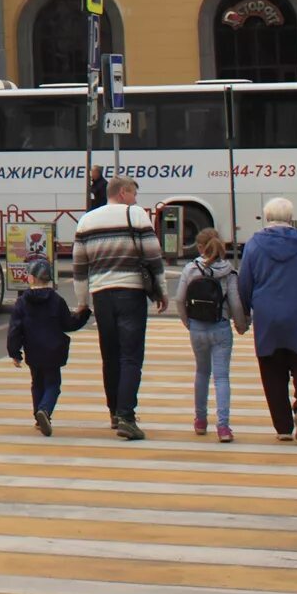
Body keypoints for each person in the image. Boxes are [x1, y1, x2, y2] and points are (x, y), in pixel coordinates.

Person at [70, 174, 167, 440]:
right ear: (123, 193)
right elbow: (153, 258)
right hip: (131, 294)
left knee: (110, 355)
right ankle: (127, 415)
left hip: (101, 296)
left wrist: (82, 302)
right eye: (134, 193)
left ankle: (114, 412)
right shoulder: (135, 215)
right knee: (131, 356)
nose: (136, 199)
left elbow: (79, 268)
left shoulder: (86, 221)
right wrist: (162, 292)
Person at [238, 196, 297, 443]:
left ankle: (283, 427)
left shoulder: (254, 244)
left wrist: (246, 310)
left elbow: (244, 281)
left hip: (267, 315)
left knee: (271, 369)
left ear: (266, 217)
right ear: (291, 218)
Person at [175, 228, 249, 441]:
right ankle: (223, 427)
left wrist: (187, 322)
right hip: (221, 327)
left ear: (200, 247)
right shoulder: (229, 271)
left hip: (197, 327)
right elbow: (235, 302)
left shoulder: (191, 269)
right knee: (222, 377)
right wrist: (241, 325)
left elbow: (179, 299)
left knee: (201, 373)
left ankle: (200, 421)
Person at [6, 257, 90, 436]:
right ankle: (44, 410)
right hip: (53, 352)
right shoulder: (56, 300)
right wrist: (84, 314)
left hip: (33, 352)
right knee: (53, 384)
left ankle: (39, 417)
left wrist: (14, 352)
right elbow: (68, 323)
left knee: (37, 383)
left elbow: (15, 329)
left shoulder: (22, 302)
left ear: (30, 278)